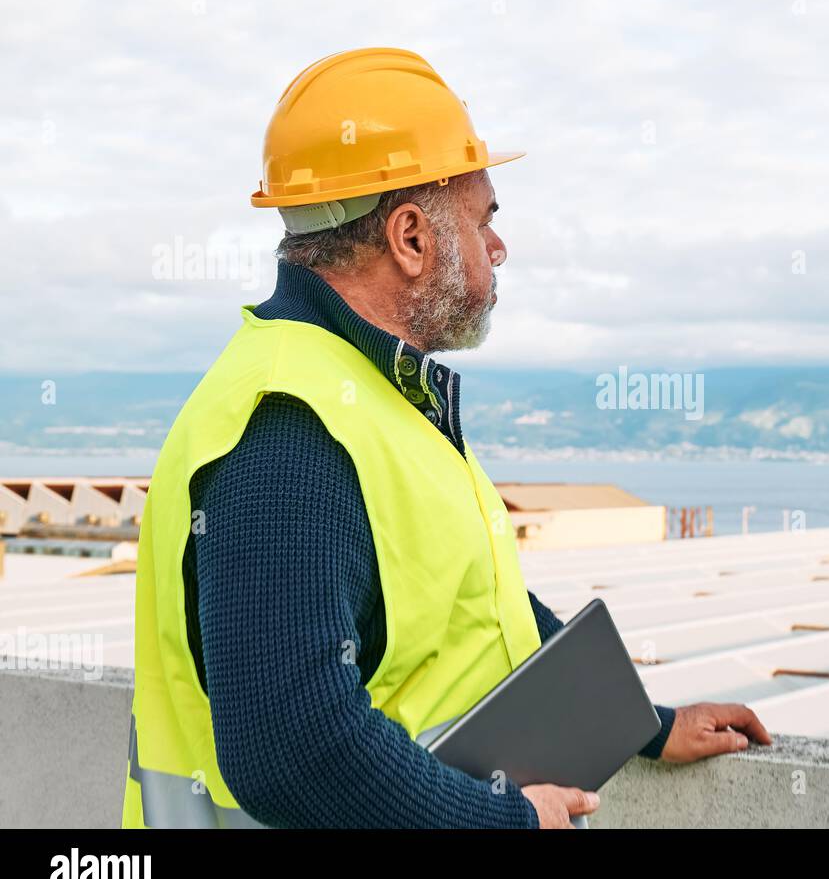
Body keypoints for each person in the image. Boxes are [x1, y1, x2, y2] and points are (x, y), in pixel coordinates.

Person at [122, 47, 770, 830]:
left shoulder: (371, 396)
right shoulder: (290, 425)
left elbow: (477, 604)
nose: (499, 246)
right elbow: (290, 747)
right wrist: (502, 822)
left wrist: (647, 722)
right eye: (484, 217)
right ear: (410, 238)